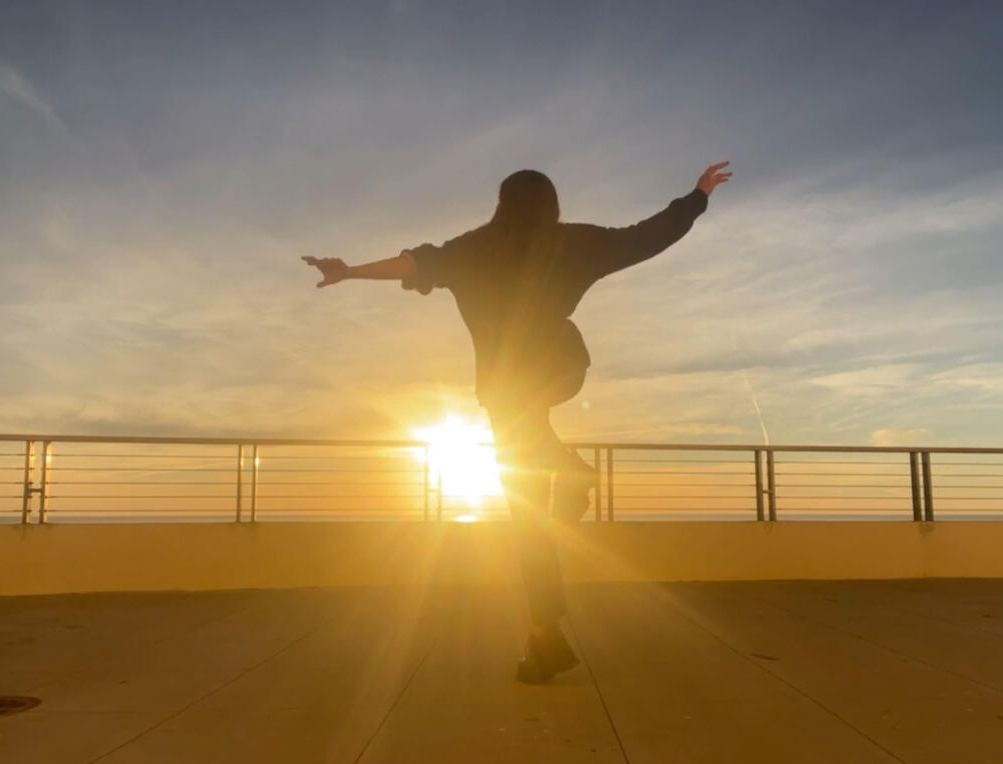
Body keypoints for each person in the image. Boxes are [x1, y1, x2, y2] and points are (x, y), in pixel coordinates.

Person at [303, 160, 732, 682]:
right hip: (560, 368)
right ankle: (544, 637)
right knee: (536, 519)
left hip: (507, 391)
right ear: (551, 206)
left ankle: (568, 497)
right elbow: (647, 237)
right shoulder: (573, 243)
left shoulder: (474, 248)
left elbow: (411, 265)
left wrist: (347, 272)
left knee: (527, 514)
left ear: (501, 205)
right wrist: (697, 196)